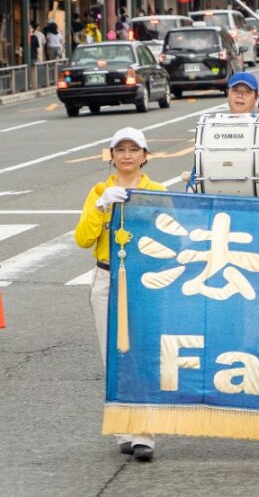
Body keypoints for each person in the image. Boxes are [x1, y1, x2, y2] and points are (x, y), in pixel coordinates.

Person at [74, 128, 167, 461]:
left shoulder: (157, 191)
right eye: (120, 150)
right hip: (105, 277)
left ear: (145, 155)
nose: (127, 156)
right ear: (111, 156)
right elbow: (83, 239)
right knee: (111, 356)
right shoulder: (99, 190)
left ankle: (144, 433)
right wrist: (101, 207)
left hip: (142, 282)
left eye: (134, 149)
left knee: (140, 355)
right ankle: (123, 428)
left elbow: (170, 238)